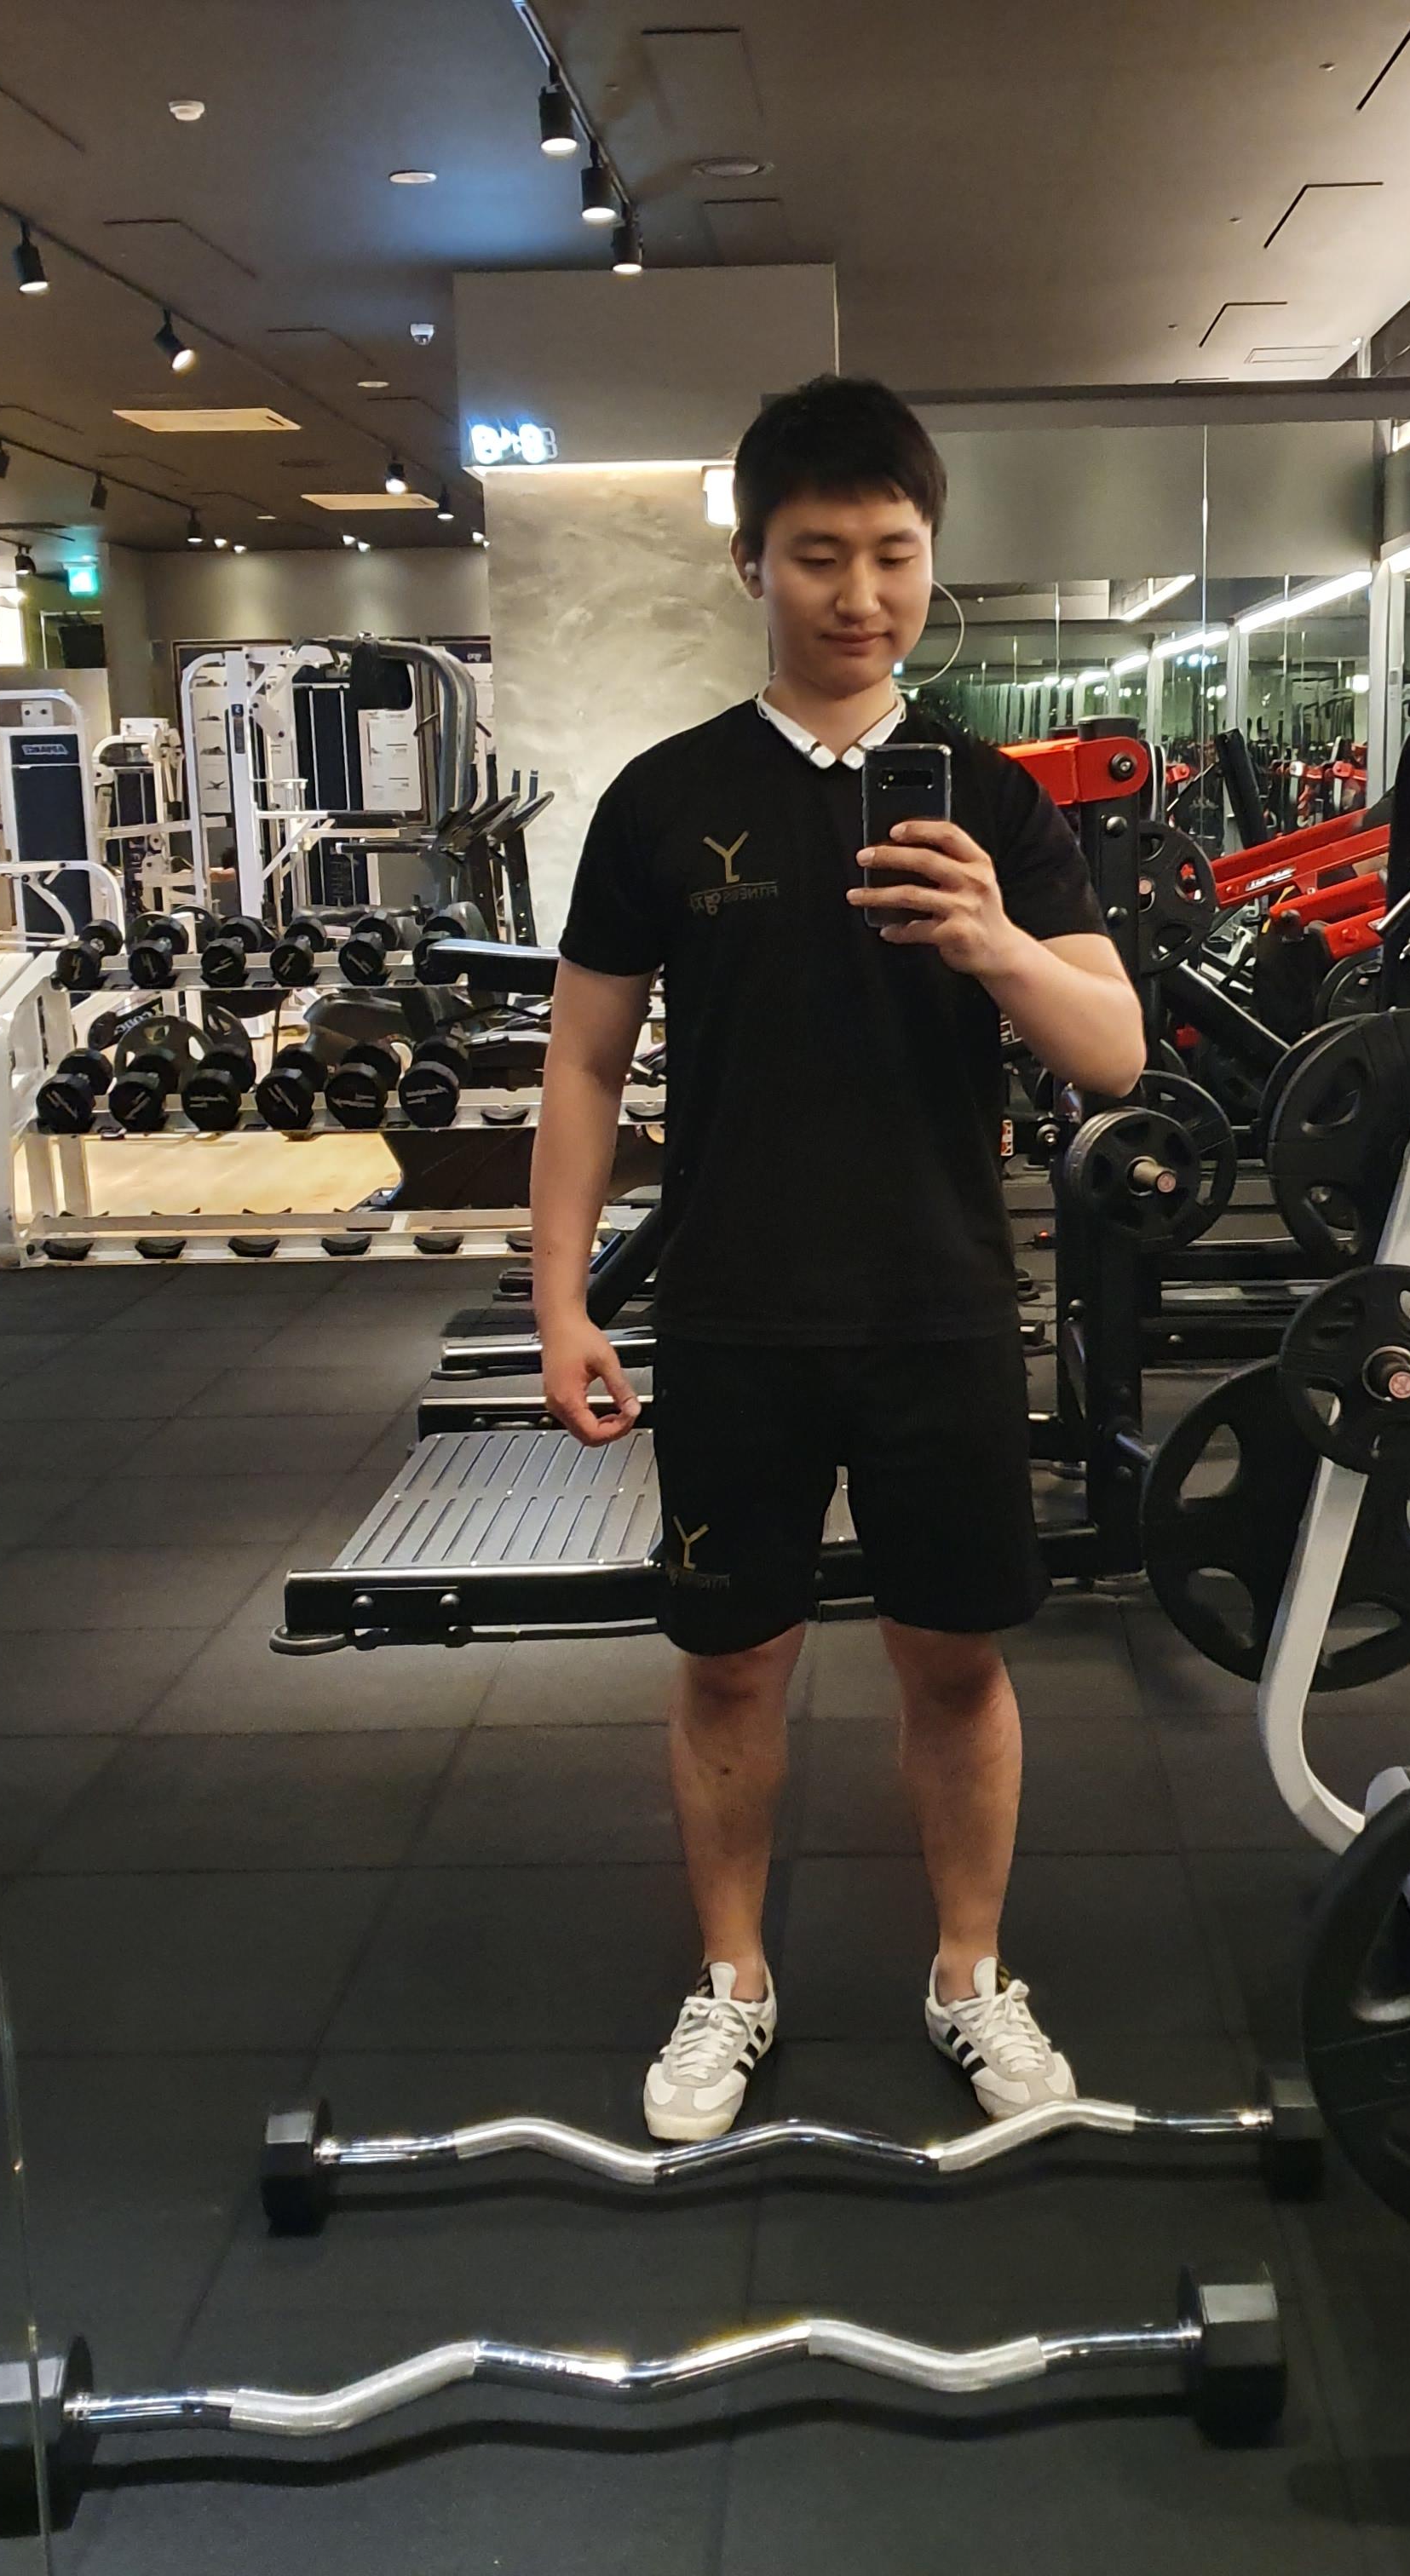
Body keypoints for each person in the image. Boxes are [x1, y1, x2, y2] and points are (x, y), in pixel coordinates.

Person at [533, 375, 1144, 2143]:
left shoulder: (996, 804)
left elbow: (1112, 1053)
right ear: (752, 562)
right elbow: (580, 1063)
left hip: (938, 1302)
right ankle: (731, 1978)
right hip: (734, 1310)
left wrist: (996, 943)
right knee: (732, 1660)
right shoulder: (664, 797)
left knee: (954, 1660)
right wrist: (561, 1298)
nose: (860, 592)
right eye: (818, 554)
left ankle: (970, 1972)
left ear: (928, 555)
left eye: (891, 552)